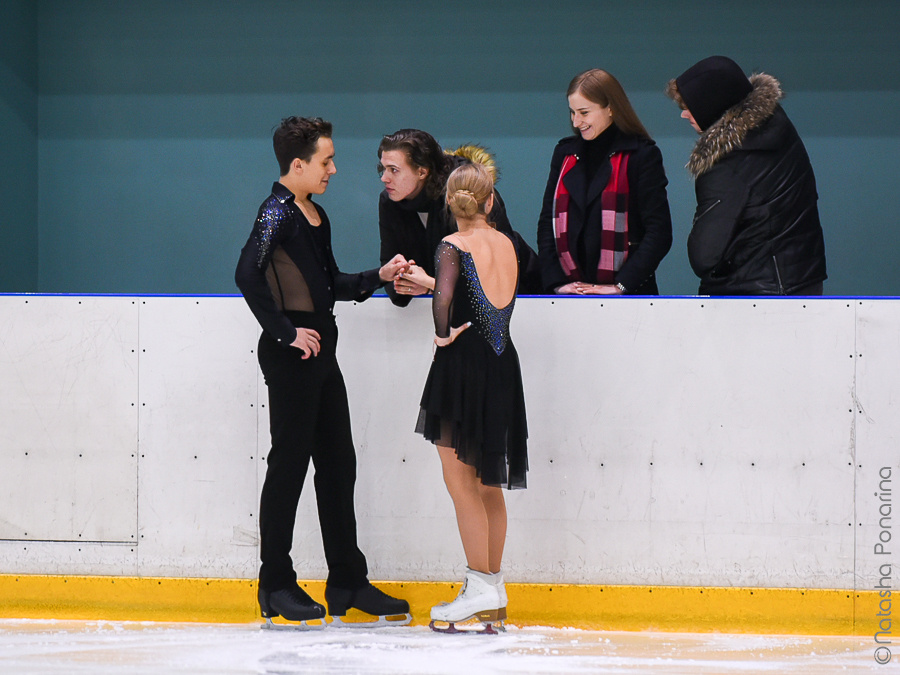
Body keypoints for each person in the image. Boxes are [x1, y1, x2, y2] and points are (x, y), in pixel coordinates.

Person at [234, 116, 410, 628]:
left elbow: (327, 282)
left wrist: (378, 277)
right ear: (298, 164)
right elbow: (247, 273)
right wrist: (285, 332)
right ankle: (275, 583)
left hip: (321, 352)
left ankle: (347, 580)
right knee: (289, 464)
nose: (333, 169)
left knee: (338, 463)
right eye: (326, 161)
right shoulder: (276, 213)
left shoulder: (314, 214)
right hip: (293, 355)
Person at [408, 162, 528, 633]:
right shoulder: (508, 242)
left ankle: (478, 587)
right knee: (489, 484)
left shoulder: (451, 246)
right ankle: (492, 587)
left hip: (461, 367)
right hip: (501, 365)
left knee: (461, 484)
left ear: (449, 204)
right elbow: (487, 299)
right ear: (490, 201)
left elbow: (446, 304)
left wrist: (441, 335)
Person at [666, 55, 827, 295]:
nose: (684, 114)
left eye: (689, 106)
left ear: (712, 103)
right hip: (800, 281)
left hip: (753, 296)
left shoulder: (726, 163)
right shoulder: (775, 125)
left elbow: (704, 255)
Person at [537, 69, 673, 295]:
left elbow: (659, 233)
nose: (577, 121)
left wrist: (620, 286)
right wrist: (558, 284)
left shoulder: (642, 155)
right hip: (573, 295)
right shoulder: (564, 154)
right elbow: (546, 225)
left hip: (629, 296)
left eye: (584, 112)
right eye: (572, 113)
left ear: (610, 108)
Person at [378, 129, 542, 304]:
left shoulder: (468, 191)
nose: (384, 178)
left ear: (422, 172)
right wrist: (403, 281)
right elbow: (389, 263)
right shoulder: (389, 201)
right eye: (383, 168)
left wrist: (430, 285)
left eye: (393, 170)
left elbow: (496, 276)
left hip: (523, 302)